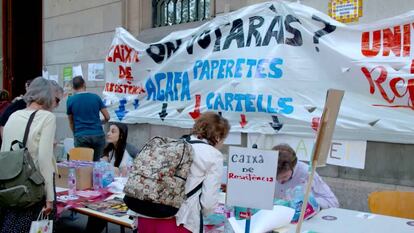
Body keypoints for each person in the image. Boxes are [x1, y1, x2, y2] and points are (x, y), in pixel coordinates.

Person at [137, 112, 230, 233]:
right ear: (218, 137)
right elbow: (208, 204)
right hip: (177, 221)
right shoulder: (213, 155)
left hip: (144, 214)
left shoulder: (174, 144)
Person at [0, 77, 63, 233]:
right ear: (48, 96)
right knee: (38, 227)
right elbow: (44, 159)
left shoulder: (14, 115)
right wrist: (49, 198)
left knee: (14, 223)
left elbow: (4, 151)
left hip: (12, 181)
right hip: (35, 183)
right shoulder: (47, 117)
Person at [84, 122, 138, 233]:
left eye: (113, 131)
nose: (108, 134)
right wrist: (107, 166)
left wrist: (130, 170)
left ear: (121, 135)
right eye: (109, 131)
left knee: (99, 211)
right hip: (112, 191)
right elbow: (102, 166)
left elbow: (142, 165)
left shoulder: (130, 150)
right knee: (96, 212)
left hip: (126, 193)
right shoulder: (109, 149)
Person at [272, 143, 339, 209]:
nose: (280, 182)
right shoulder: (265, 169)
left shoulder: (307, 173)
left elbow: (333, 203)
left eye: (284, 177)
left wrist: (308, 200)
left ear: (293, 167)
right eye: (275, 178)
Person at [66, 76, 110, 161]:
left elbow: (71, 122)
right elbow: (107, 117)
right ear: (84, 84)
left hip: (81, 135)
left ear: (73, 87)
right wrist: (99, 123)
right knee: (97, 164)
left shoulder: (70, 100)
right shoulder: (95, 97)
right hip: (98, 134)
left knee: (84, 165)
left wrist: (76, 133)